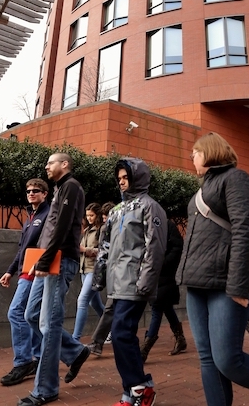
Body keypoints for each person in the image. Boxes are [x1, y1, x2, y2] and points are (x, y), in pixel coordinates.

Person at [176, 132, 249, 406]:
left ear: (211, 152)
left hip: (226, 283)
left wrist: (239, 286)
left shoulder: (236, 179)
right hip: (196, 282)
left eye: (196, 151)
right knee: (207, 358)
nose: (192, 157)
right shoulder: (202, 188)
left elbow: (243, 230)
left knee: (227, 359)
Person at [18, 153, 88, 406]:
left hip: (58, 260)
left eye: (51, 162)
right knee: (31, 315)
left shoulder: (71, 186)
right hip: (47, 259)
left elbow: (63, 226)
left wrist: (46, 260)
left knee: (49, 325)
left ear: (65, 164)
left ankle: (45, 390)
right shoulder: (60, 188)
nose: (46, 166)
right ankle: (75, 350)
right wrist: (39, 259)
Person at [97, 157, 167, 406]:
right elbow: (105, 246)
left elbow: (155, 247)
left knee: (121, 334)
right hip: (117, 284)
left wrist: (145, 283)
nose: (122, 182)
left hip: (135, 283)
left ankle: (140, 387)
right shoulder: (116, 211)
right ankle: (134, 390)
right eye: (119, 179)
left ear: (138, 177)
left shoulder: (150, 207)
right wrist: (99, 275)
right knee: (121, 336)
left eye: (126, 178)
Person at [0, 179, 50, 386]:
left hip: (35, 271)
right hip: (23, 271)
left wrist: (39, 266)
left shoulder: (47, 215)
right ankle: (38, 358)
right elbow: (22, 248)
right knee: (31, 317)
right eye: (28, 191)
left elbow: (47, 244)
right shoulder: (30, 217)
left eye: (36, 191)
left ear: (45, 194)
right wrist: (10, 271)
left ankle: (23, 362)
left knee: (15, 312)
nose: (31, 193)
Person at [141, 218, 187, 362]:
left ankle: (145, 348)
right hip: (151, 272)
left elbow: (177, 247)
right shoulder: (144, 225)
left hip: (164, 273)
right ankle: (180, 339)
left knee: (157, 308)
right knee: (165, 306)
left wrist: (162, 264)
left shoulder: (167, 225)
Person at [72, 203, 105, 341]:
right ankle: (112, 327)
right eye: (87, 215)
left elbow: (105, 250)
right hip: (84, 269)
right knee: (94, 303)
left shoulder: (101, 229)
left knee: (82, 300)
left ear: (97, 215)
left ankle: (75, 338)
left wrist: (85, 250)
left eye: (91, 215)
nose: (89, 218)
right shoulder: (87, 230)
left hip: (95, 269)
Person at [88, 201, 116, 356]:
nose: (105, 221)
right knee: (111, 308)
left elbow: (102, 254)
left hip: (124, 274)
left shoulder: (111, 229)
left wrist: (98, 280)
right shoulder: (109, 229)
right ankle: (97, 343)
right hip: (117, 273)